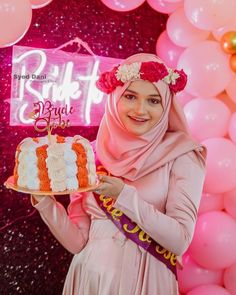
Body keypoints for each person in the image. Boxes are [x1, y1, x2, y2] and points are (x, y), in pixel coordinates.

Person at [32, 53, 207, 295]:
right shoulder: (90, 153)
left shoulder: (182, 154)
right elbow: (78, 242)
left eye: (153, 101)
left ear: (167, 104)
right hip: (89, 278)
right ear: (115, 98)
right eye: (131, 96)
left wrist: (123, 195)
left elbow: (179, 241)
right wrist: (44, 201)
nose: (140, 110)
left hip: (145, 281)